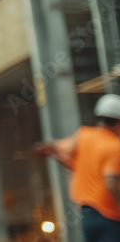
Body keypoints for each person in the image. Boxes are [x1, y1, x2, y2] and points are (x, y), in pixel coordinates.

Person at [33, 93, 120, 241]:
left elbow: (55, 149)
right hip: (110, 214)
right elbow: (111, 184)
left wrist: (48, 151)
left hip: (87, 213)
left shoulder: (83, 136)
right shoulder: (115, 147)